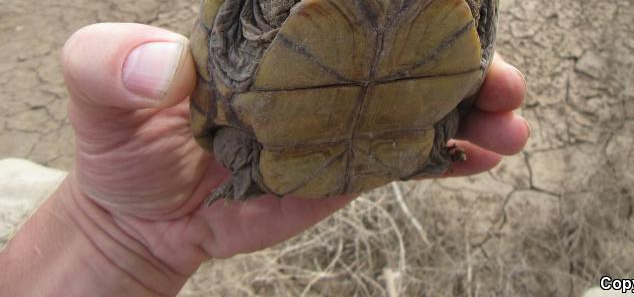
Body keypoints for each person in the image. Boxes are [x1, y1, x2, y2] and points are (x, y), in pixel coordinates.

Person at [0, 23, 529, 296]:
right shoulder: (216, 159)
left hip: (390, 133)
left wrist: (112, 238)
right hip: (295, 144)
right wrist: (111, 233)